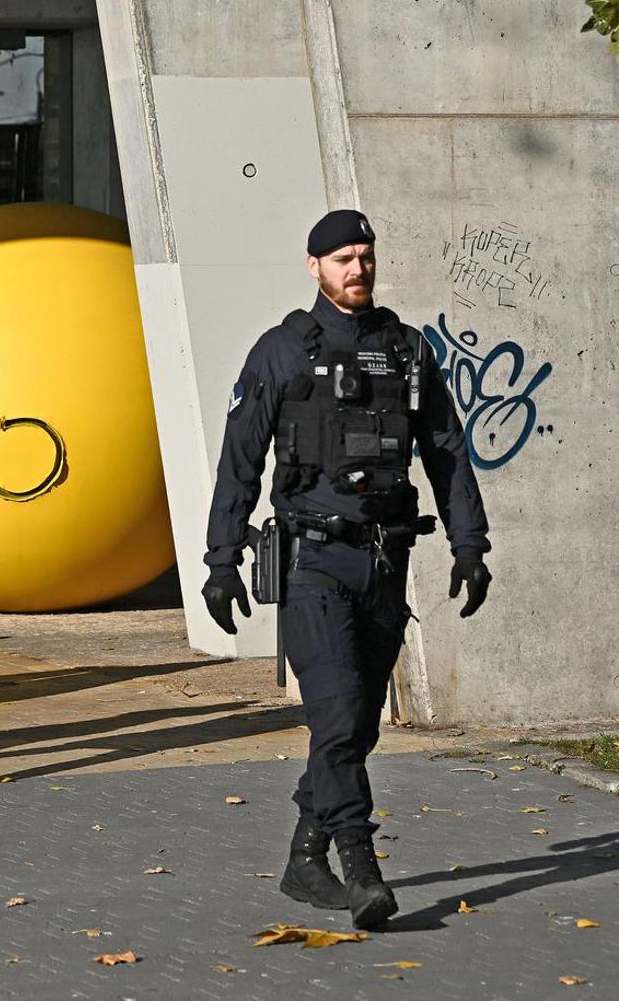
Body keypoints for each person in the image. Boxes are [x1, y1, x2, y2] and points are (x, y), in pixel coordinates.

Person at [201, 209, 492, 930]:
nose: (356, 269)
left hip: (385, 563)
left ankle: (305, 857)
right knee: (335, 714)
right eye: (341, 259)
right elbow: (240, 461)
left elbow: (447, 452)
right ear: (314, 268)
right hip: (312, 564)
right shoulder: (281, 352)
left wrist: (469, 545)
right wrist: (221, 559)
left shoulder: (406, 351)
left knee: (354, 729)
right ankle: (362, 868)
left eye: (364, 256)